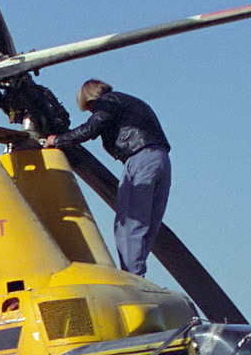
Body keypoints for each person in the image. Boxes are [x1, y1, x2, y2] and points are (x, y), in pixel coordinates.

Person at [43, 79, 171, 277]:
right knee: (148, 223)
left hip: (140, 159)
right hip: (161, 160)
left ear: (90, 99)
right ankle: (138, 272)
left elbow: (90, 129)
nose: (92, 111)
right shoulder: (131, 101)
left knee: (128, 222)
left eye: (89, 108)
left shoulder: (107, 102)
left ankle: (133, 277)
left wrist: (58, 140)